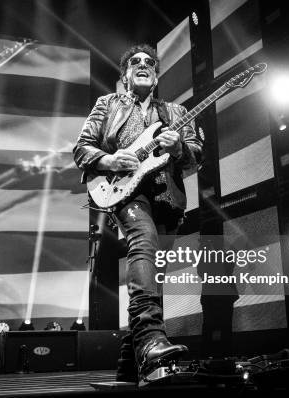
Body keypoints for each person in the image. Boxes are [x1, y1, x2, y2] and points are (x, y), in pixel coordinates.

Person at [73, 44, 203, 383]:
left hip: (168, 199)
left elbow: (196, 156)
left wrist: (180, 148)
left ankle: (127, 366)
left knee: (153, 275)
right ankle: (151, 342)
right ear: (125, 74)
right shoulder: (108, 104)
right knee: (143, 244)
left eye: (150, 63)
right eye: (135, 62)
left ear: (157, 75)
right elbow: (81, 148)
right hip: (126, 194)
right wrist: (111, 160)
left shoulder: (175, 111)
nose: (143, 65)